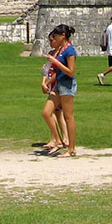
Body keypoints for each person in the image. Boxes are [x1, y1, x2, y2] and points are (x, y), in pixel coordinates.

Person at [42, 24, 77, 157]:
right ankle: (58, 140)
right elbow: (58, 72)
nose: (54, 39)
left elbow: (71, 72)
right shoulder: (61, 50)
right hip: (59, 84)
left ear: (63, 36)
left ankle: (71, 149)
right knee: (46, 112)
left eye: (56, 36)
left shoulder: (70, 51)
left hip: (67, 85)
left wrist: (55, 62)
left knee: (68, 117)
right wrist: (47, 82)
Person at [39, 29, 68, 154]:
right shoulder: (52, 54)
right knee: (55, 112)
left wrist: (47, 83)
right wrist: (43, 82)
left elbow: (57, 72)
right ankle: (56, 138)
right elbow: (46, 70)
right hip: (51, 84)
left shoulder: (60, 54)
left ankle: (61, 139)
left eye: (53, 40)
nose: (51, 42)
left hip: (57, 84)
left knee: (56, 112)